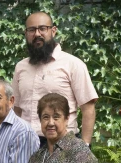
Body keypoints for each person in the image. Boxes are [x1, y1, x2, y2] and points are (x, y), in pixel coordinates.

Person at [12, 11, 98, 147]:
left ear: (53, 31)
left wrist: (85, 146)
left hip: (63, 143)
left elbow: (88, 108)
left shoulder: (73, 64)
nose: (37, 34)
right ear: (26, 33)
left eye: (42, 28)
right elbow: (16, 109)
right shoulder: (20, 67)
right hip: (24, 143)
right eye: (32, 30)